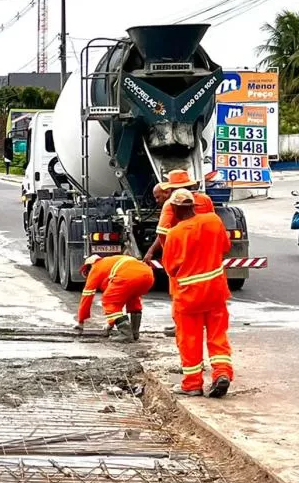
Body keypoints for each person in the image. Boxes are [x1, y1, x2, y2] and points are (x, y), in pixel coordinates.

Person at [162, 188, 233, 398]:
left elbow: (171, 269)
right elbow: (225, 247)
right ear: (193, 206)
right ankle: (222, 373)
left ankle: (192, 384)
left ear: (174, 209)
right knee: (217, 336)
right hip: (215, 292)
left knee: (189, 340)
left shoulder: (175, 234)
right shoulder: (213, 221)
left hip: (188, 297)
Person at [142, 170, 216, 337]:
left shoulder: (171, 204)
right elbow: (212, 223)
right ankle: (200, 322)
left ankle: (181, 325)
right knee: (203, 291)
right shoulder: (205, 200)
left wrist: (169, 255)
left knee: (178, 291)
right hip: (204, 253)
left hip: (183, 255)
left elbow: (162, 231)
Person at [77, 254, 155, 342]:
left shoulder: (96, 267)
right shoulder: (111, 262)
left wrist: (81, 321)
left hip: (128, 276)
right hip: (148, 275)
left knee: (109, 301)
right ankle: (134, 332)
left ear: (89, 266)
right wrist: (110, 324)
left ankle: (126, 334)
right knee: (133, 299)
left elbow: (87, 296)